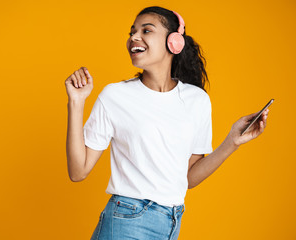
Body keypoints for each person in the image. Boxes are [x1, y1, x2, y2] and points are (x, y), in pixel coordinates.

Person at [64, 6, 270, 240]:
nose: (134, 37)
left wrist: (232, 141)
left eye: (146, 30)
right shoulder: (115, 96)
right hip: (126, 221)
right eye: (132, 32)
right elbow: (78, 171)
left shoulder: (197, 100)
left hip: (171, 222)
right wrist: (76, 102)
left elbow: (188, 178)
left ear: (174, 43)